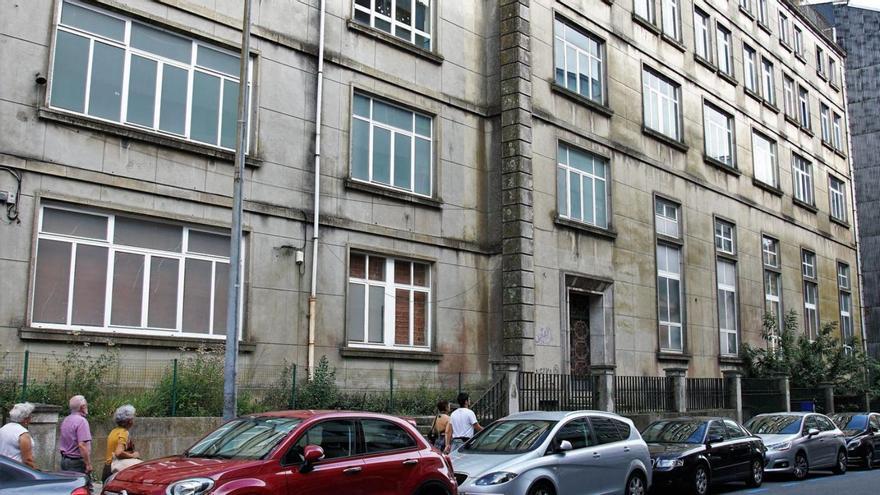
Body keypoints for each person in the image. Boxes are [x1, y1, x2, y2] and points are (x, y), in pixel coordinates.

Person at [103, 404, 141, 481]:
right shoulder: (124, 433)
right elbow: (118, 453)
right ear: (129, 421)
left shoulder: (113, 431)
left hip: (107, 469)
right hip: (115, 470)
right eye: (133, 418)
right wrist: (133, 455)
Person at [59, 395, 92, 478]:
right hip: (77, 462)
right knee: (82, 487)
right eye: (86, 405)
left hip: (65, 460)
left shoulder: (66, 420)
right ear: (82, 407)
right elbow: (82, 445)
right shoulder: (82, 421)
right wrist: (88, 464)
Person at [0, 402, 36, 468]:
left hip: (3, 468)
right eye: (30, 416)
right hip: (17, 470)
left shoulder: (3, 429)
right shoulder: (23, 434)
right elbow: (28, 460)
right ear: (26, 419)